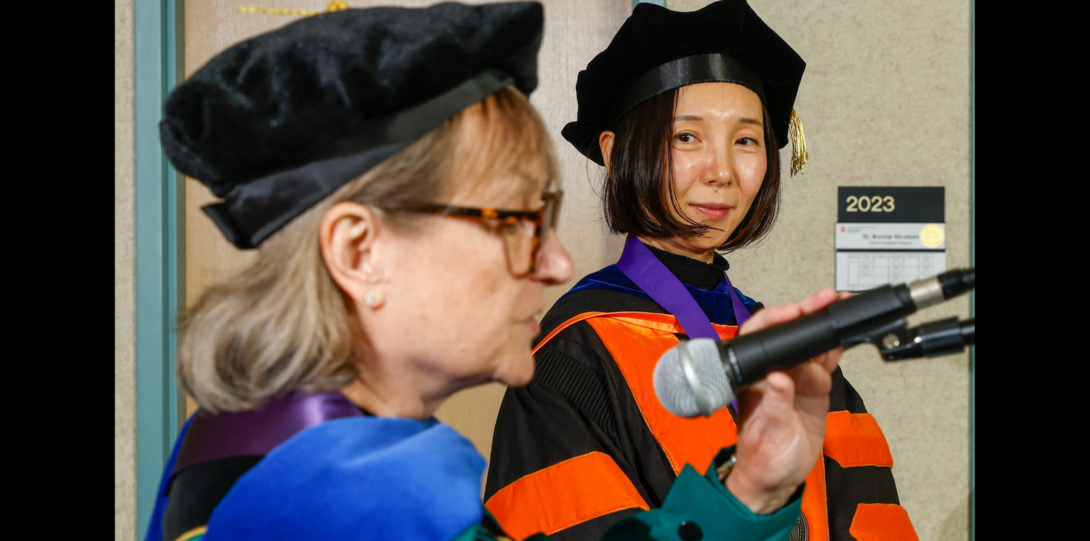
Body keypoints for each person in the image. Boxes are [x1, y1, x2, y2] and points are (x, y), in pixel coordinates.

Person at [144, 3, 849, 541]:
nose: (559, 262)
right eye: (515, 221)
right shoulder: (369, 496)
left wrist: (750, 489)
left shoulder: (239, 440)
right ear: (360, 251)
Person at [484, 2, 918, 541]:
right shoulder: (573, 355)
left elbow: (872, 519)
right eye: (686, 137)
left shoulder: (795, 349)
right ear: (617, 154)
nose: (721, 172)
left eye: (746, 140)